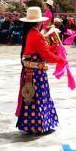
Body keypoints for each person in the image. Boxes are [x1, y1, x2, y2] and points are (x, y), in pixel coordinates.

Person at [16, 7, 64, 135]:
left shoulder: (30, 33)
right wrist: (60, 59)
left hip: (30, 71)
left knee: (31, 98)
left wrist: (54, 47)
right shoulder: (36, 35)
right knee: (39, 97)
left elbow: (43, 50)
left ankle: (31, 125)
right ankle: (39, 125)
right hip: (36, 73)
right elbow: (47, 55)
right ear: (39, 22)